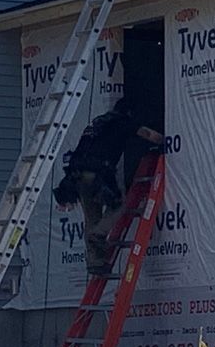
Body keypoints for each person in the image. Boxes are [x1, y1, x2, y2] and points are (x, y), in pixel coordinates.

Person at [53, 98, 163, 276]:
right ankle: (99, 234)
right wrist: (166, 141)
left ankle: (95, 263)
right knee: (119, 205)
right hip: (98, 173)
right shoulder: (123, 122)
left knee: (92, 217)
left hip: (77, 175)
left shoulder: (98, 123)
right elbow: (149, 135)